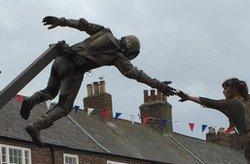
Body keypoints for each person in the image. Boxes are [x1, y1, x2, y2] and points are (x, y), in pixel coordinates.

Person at [22, 16, 174, 145]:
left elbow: (83, 25)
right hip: (74, 70)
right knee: (64, 107)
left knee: (50, 91)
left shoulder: (104, 31)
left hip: (61, 58)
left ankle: (31, 100)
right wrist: (159, 86)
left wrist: (61, 21)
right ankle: (36, 126)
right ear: (129, 50)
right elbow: (135, 74)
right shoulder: (117, 55)